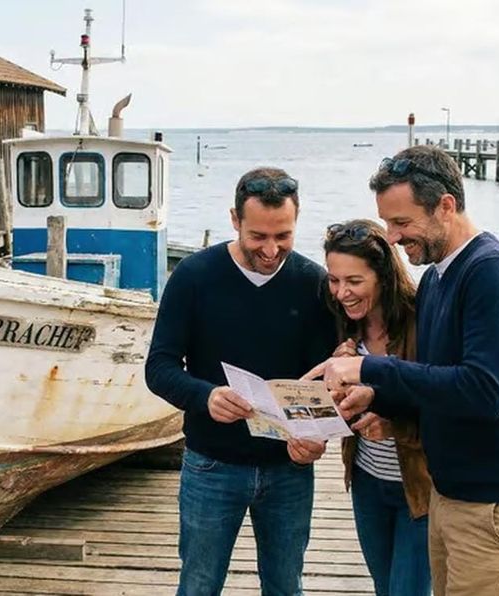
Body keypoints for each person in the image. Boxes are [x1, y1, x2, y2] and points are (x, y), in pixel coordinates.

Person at [308, 146, 499, 596]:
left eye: (402, 223)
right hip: (451, 494)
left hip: (497, 503)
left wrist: (370, 367)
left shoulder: (493, 272)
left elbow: (483, 391)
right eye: (387, 222)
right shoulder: (439, 279)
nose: (393, 237)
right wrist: (379, 400)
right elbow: (438, 381)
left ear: (445, 206)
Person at [145, 167, 336, 595]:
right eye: (258, 237)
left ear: (297, 219)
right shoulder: (193, 276)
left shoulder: (312, 283)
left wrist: (317, 437)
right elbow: (158, 367)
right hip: (212, 464)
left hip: (289, 468)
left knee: (286, 586)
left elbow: (324, 380)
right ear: (235, 220)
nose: (271, 250)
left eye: (283, 236)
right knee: (198, 585)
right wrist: (205, 395)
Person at [321, 219, 432, 596]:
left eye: (354, 281)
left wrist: (394, 424)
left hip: (419, 486)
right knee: (385, 588)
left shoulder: (423, 320)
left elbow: (447, 397)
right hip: (367, 481)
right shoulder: (343, 325)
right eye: (334, 280)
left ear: (383, 276)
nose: (342, 293)